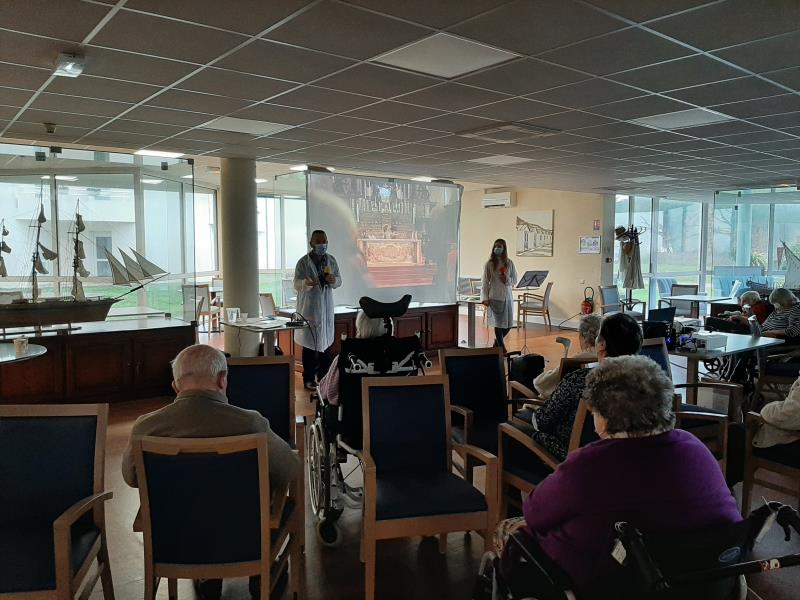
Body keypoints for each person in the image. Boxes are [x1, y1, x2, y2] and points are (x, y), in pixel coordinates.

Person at [521, 355, 741, 598]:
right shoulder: (695, 448)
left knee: (520, 537)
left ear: (605, 416)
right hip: (706, 583)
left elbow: (534, 512)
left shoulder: (589, 464)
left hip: (620, 584)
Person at [121, 344, 300, 600]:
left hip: (176, 539)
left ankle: (206, 576)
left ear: (176, 386)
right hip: (244, 539)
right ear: (222, 380)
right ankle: (261, 571)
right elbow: (290, 470)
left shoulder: (146, 427)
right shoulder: (250, 423)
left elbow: (131, 478)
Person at [529, 312, 642, 462]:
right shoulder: (646, 384)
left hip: (579, 461)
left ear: (602, 345)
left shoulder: (580, 380)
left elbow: (543, 422)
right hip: (625, 461)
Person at [294, 230, 342, 390]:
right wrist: (306, 283)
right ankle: (308, 379)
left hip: (325, 310)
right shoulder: (303, 262)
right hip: (310, 310)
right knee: (309, 348)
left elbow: (339, 280)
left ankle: (324, 379)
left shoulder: (331, 260)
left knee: (326, 348)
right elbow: (296, 284)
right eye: (319, 241)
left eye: (324, 241)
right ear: (311, 243)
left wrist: (333, 280)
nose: (322, 244)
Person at [318, 311, 389, 406]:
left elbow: (328, 390)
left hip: (351, 409)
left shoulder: (346, 356)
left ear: (360, 328)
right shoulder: (395, 356)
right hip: (387, 406)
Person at [533, 314, 601, 399]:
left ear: (583, 337)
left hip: (564, 402)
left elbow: (542, 384)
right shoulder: (607, 358)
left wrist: (540, 378)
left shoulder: (575, 360)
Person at [481, 238, 517, 350]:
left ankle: (497, 341)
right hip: (495, 297)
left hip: (507, 298)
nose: (497, 248)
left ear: (504, 248)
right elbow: (485, 282)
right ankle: (501, 348)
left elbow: (514, 280)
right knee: (498, 324)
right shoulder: (489, 264)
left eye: (500, 246)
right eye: (496, 246)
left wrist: (507, 280)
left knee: (508, 324)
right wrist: (485, 298)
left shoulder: (509, 263)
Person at [705, 290, 773, 333]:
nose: (741, 304)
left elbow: (752, 323)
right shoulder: (756, 306)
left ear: (753, 300)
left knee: (710, 320)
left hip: (747, 329)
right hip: (744, 326)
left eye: (744, 301)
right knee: (717, 320)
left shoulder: (757, 308)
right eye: (742, 301)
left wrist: (738, 317)